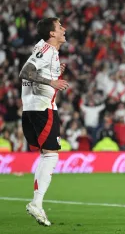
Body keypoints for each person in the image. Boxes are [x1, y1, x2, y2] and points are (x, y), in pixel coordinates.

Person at [20, 17, 69, 226]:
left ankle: (37, 203)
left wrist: (55, 73)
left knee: (47, 155)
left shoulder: (44, 49)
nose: (64, 29)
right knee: (51, 156)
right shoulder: (47, 50)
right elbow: (25, 72)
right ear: (52, 34)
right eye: (60, 27)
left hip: (32, 108)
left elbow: (35, 68)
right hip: (42, 108)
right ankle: (36, 203)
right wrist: (51, 81)